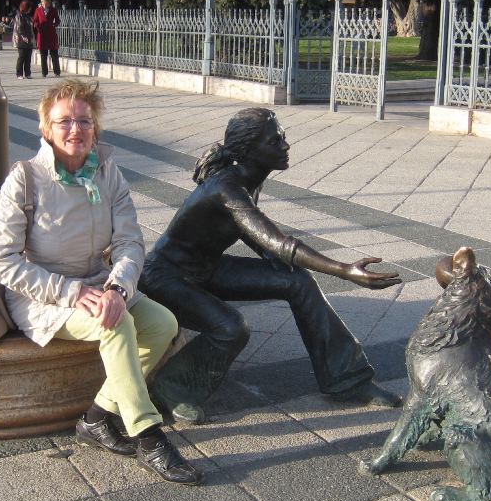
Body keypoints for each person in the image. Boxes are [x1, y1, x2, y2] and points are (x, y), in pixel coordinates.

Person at [0, 79, 201, 485]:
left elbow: (130, 243)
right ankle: (149, 435)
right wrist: (71, 293)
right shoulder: (25, 180)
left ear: (95, 127)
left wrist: (118, 287)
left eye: (84, 120)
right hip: (43, 296)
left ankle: (97, 418)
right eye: (64, 121)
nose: (75, 129)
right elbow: (2, 261)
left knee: (162, 325)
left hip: (100, 283)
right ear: (46, 129)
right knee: (114, 323)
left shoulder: (107, 172)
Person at [139, 108, 403, 425]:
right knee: (231, 327)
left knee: (297, 281)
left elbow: (257, 237)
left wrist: (273, 263)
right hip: (165, 277)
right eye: (274, 140)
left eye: (282, 137)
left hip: (205, 269)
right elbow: (279, 242)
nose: (285, 145)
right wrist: (344, 269)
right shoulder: (227, 189)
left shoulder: (249, 179)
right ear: (250, 150)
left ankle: (347, 379)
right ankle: (174, 388)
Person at [32, 0, 61, 77]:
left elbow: (58, 20)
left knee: (54, 54)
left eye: (46, 3)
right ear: (41, 2)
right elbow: (35, 20)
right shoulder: (38, 10)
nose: (44, 5)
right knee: (43, 55)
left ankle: (57, 72)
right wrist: (37, 26)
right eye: (43, 3)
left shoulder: (53, 10)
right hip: (42, 34)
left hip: (51, 34)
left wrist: (54, 25)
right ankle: (44, 73)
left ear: (49, 3)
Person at [13, 0, 35, 79]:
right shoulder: (19, 16)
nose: (30, 9)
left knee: (28, 57)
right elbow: (19, 28)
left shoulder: (28, 17)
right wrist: (23, 36)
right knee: (21, 57)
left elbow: (31, 28)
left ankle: (28, 73)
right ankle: (19, 74)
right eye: (29, 8)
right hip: (21, 40)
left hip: (29, 39)